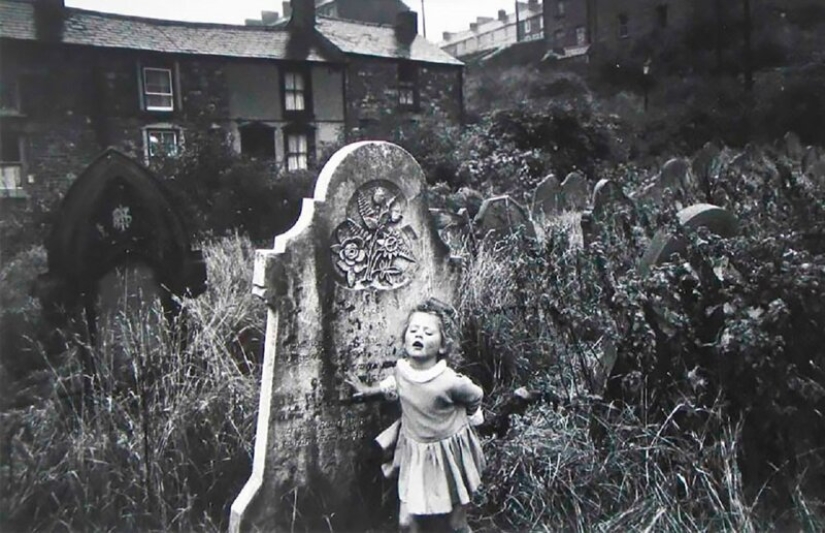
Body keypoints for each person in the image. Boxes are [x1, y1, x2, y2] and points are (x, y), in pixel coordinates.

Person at [348, 299, 485, 533]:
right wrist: (369, 391)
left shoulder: (449, 381)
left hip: (448, 453)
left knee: (455, 524)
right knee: (406, 523)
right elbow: (396, 384)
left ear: (442, 346)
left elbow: (475, 395)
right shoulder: (402, 369)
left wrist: (471, 420)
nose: (418, 335)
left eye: (428, 332)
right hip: (416, 453)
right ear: (405, 339)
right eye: (413, 330)